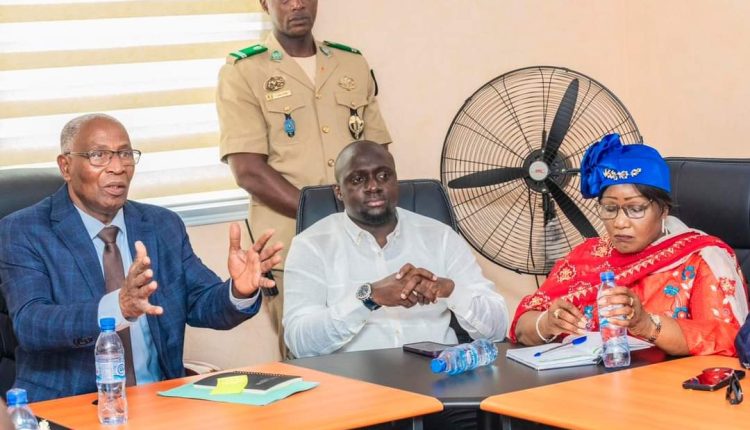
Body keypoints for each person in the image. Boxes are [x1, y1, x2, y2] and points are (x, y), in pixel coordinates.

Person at [0, 114, 283, 401]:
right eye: (99, 155)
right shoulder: (24, 230)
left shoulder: (161, 225)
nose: (117, 167)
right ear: (66, 166)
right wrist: (117, 307)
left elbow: (203, 303)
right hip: (71, 403)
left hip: (158, 400)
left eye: (125, 154)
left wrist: (239, 290)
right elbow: (31, 324)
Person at [215, 0, 392, 356]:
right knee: (307, 358)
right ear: (264, 3)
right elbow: (248, 169)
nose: (296, 4)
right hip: (291, 245)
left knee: (375, 347)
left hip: (363, 241)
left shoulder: (351, 63)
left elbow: (378, 156)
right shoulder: (244, 70)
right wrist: (327, 216)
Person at [511, 134, 748, 356]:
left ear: (664, 210)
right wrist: (547, 323)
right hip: (581, 379)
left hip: (665, 383)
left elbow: (727, 338)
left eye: (635, 209)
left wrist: (646, 325)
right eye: (609, 208)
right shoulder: (587, 255)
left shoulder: (701, 258)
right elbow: (522, 326)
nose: (620, 223)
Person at [283, 141, 508, 358]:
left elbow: (497, 330)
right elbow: (300, 343)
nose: (373, 186)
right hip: (353, 380)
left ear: (396, 181)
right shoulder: (311, 245)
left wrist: (450, 290)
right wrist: (369, 298)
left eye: (384, 176)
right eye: (358, 179)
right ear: (338, 192)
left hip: (437, 374)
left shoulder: (441, 237)